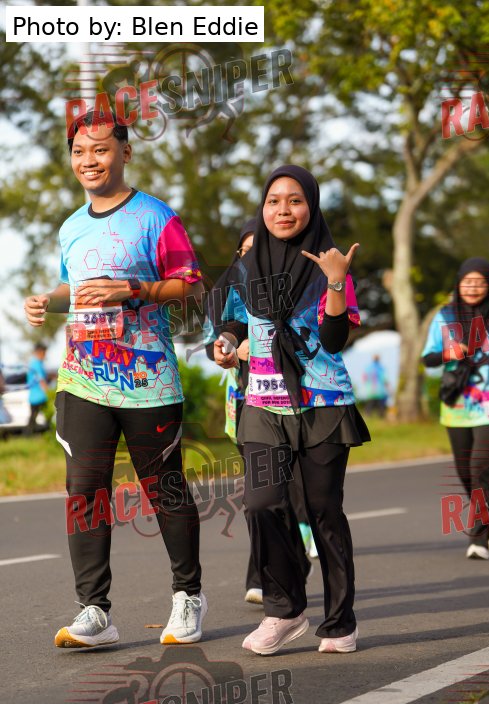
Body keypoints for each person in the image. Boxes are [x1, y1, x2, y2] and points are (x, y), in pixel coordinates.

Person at [23, 111, 206, 648]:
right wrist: (48, 300)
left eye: (100, 150)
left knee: (164, 489)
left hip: (147, 379)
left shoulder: (156, 216)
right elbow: (75, 287)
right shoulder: (71, 226)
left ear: (125, 152)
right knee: (85, 491)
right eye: (79, 152)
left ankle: (188, 596)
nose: (89, 161)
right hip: (83, 379)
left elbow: (190, 284)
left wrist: (133, 289)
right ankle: (94, 611)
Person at [214, 165, 370, 655]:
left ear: (311, 207)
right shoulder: (245, 269)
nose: (283, 210)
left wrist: (336, 284)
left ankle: (340, 620)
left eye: (295, 200)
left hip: (322, 403)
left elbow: (334, 339)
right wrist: (225, 344)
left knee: (324, 511)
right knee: (261, 503)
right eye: (274, 201)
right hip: (262, 402)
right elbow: (231, 324)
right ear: (263, 208)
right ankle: (283, 611)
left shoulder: (331, 264)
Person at [205, 220, 315, 607]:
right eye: (245, 250)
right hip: (247, 402)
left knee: (290, 492)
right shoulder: (229, 290)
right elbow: (217, 339)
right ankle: (270, 572)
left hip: (299, 401)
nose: (253, 256)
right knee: (261, 494)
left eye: (261, 247)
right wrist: (229, 350)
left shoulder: (297, 282)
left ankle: (281, 567)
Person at [422, 257, 489, 560]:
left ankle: (478, 538)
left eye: (479, 282)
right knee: (465, 471)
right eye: (467, 282)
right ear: (459, 284)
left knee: (480, 466)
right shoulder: (444, 316)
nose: (472, 288)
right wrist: (450, 352)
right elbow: (428, 358)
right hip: (457, 404)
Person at [25, 342, 49, 435]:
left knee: (33, 417)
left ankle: (29, 435)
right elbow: (41, 380)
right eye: (44, 353)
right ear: (39, 352)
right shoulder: (37, 364)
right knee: (40, 416)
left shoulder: (34, 363)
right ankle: (29, 435)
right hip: (39, 396)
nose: (45, 355)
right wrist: (48, 392)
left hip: (35, 396)